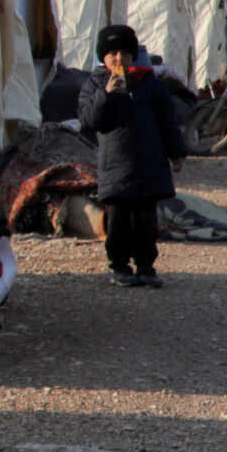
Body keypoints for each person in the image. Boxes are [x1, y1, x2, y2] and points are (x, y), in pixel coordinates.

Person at [76, 24, 186, 288]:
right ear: (103, 57)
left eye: (124, 52)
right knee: (119, 220)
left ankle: (146, 266)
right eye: (111, 53)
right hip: (116, 166)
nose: (118, 58)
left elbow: (167, 122)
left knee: (146, 221)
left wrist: (177, 152)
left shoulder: (150, 83)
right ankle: (120, 266)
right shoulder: (95, 84)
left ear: (132, 55)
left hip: (149, 165)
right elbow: (90, 120)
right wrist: (107, 95)